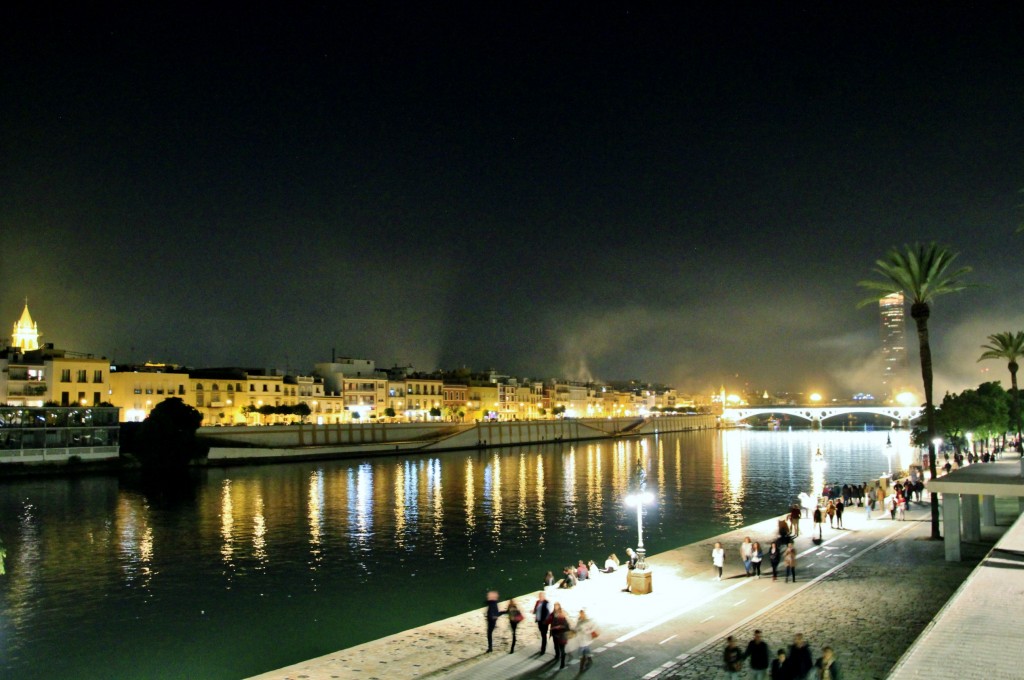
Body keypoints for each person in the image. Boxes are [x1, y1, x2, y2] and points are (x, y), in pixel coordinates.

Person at [548, 602, 571, 669]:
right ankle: (557, 655)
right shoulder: (554, 616)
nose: (559, 614)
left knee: (562, 650)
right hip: (555, 635)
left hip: (562, 636)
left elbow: (567, 627)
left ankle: (562, 663)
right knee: (556, 646)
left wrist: (560, 627)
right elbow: (551, 624)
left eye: (560, 613)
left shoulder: (564, 619)